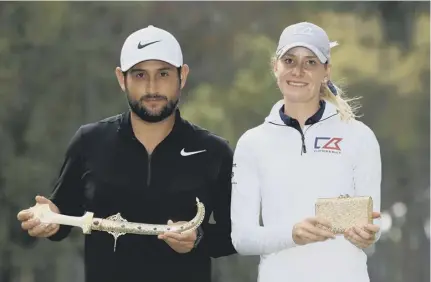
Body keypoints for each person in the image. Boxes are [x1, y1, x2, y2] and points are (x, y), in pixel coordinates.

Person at [17, 25, 236, 282]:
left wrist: (198, 239)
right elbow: (62, 219)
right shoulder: (90, 141)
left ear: (182, 76)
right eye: (140, 75)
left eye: (163, 74)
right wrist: (48, 217)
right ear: (122, 79)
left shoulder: (213, 151)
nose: (152, 87)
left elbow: (235, 236)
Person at [230, 22, 382, 282]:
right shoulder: (252, 143)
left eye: (310, 62)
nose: (298, 71)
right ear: (275, 67)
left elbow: (373, 225)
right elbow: (242, 238)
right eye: (289, 60)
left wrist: (369, 234)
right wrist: (292, 235)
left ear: (326, 71)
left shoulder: (360, 136)